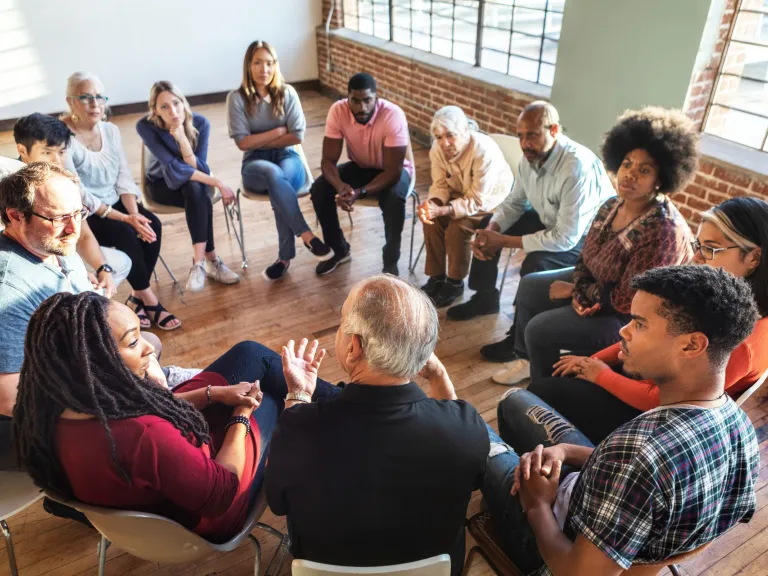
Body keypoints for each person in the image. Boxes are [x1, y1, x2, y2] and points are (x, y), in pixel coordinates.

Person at [482, 265, 760, 575]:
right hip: (625, 523)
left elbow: (578, 573)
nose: (623, 331)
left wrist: (536, 505)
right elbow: (640, 480)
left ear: (692, 345)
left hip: (558, 544)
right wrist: (566, 451)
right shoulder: (740, 426)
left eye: (639, 324)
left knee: (476, 433)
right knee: (516, 401)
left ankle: (505, 517)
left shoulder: (638, 451)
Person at [13, 291, 280, 542]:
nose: (149, 348)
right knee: (269, 395)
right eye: (132, 341)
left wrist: (213, 394)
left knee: (250, 354)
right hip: (206, 518)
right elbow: (222, 493)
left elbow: (153, 409)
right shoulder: (144, 435)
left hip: (155, 500)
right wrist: (242, 413)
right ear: (91, 363)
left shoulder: (55, 410)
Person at [266, 275, 488, 574]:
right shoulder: (467, 428)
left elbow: (277, 503)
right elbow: (458, 427)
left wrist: (298, 396)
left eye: (342, 320)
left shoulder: (300, 428)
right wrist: (438, 376)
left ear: (353, 347)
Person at [529, 196, 768, 443]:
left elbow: (664, 400)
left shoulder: (745, 341)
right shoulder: (715, 294)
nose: (697, 257)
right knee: (556, 370)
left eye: (710, 248)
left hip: (658, 421)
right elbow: (638, 330)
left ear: (753, 258)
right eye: (698, 245)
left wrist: (600, 374)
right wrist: (592, 361)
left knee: (541, 392)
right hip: (648, 376)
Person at [488, 107, 697, 385]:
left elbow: (628, 300)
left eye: (643, 170)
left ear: (660, 179)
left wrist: (578, 291)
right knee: (530, 285)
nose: (630, 175)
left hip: (632, 319)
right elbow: (586, 256)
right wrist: (580, 288)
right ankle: (529, 360)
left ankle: (547, 390)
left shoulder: (663, 230)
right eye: (626, 164)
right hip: (597, 289)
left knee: (540, 329)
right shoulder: (613, 204)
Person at [446, 101, 615, 322]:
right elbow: (515, 203)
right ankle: (485, 297)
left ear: (554, 130)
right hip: (553, 223)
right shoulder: (532, 155)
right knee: (487, 223)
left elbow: (566, 238)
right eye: (521, 136)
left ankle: (520, 333)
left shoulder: (575, 168)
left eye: (532, 135)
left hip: (588, 240)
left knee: (537, 264)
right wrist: (491, 231)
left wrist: (503, 240)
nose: (525, 143)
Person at [62, 72, 181, 330]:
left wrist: (134, 213)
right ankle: (150, 300)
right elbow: (80, 192)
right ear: (71, 101)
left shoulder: (111, 130)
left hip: (116, 201)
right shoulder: (64, 138)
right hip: (88, 212)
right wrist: (127, 219)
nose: (95, 104)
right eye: (86, 97)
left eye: (99, 97)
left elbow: (123, 176)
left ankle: (137, 298)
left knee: (152, 226)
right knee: (128, 234)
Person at [227, 41, 331, 281]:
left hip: (288, 156)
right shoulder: (237, 98)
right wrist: (277, 133)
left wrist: (258, 139)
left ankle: (284, 259)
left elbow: (297, 135)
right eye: (257, 62)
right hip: (255, 164)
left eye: (269, 63)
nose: (264, 69)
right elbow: (243, 143)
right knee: (274, 175)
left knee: (279, 181)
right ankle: (306, 235)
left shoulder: (287, 93)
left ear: (275, 66)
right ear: (248, 66)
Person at [137, 81, 240, 291]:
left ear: (183, 102)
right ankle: (211, 261)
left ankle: (199, 264)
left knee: (196, 189)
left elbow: (200, 169)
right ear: (155, 110)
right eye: (164, 106)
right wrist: (218, 182)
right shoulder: (146, 126)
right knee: (199, 192)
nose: (173, 111)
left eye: (176, 103)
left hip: (192, 183)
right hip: (160, 186)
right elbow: (173, 168)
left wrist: (183, 139)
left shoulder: (201, 123)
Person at [12, 112, 131, 294]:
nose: (57, 161)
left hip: (61, 253)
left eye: (62, 152)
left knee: (119, 264)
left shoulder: (63, 181)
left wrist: (102, 269)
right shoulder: (10, 186)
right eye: (46, 153)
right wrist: (72, 272)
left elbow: (83, 234)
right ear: (22, 151)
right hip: (25, 265)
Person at [310, 73, 413, 276]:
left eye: (367, 100)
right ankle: (339, 250)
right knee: (320, 188)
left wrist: (361, 192)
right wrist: (340, 187)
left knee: (393, 200)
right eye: (355, 101)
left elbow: (393, 171)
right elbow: (328, 161)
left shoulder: (393, 114)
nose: (361, 107)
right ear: (347, 97)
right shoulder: (338, 111)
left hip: (393, 170)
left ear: (377, 97)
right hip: (360, 166)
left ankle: (390, 261)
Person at [418, 106, 513, 307]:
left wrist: (445, 210)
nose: (444, 143)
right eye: (439, 137)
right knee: (431, 221)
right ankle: (436, 277)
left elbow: (477, 200)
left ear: (465, 131)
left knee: (458, 227)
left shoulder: (483, 150)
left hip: (490, 200)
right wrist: (433, 205)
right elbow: (440, 185)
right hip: (458, 194)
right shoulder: (437, 149)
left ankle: (454, 282)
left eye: (450, 135)